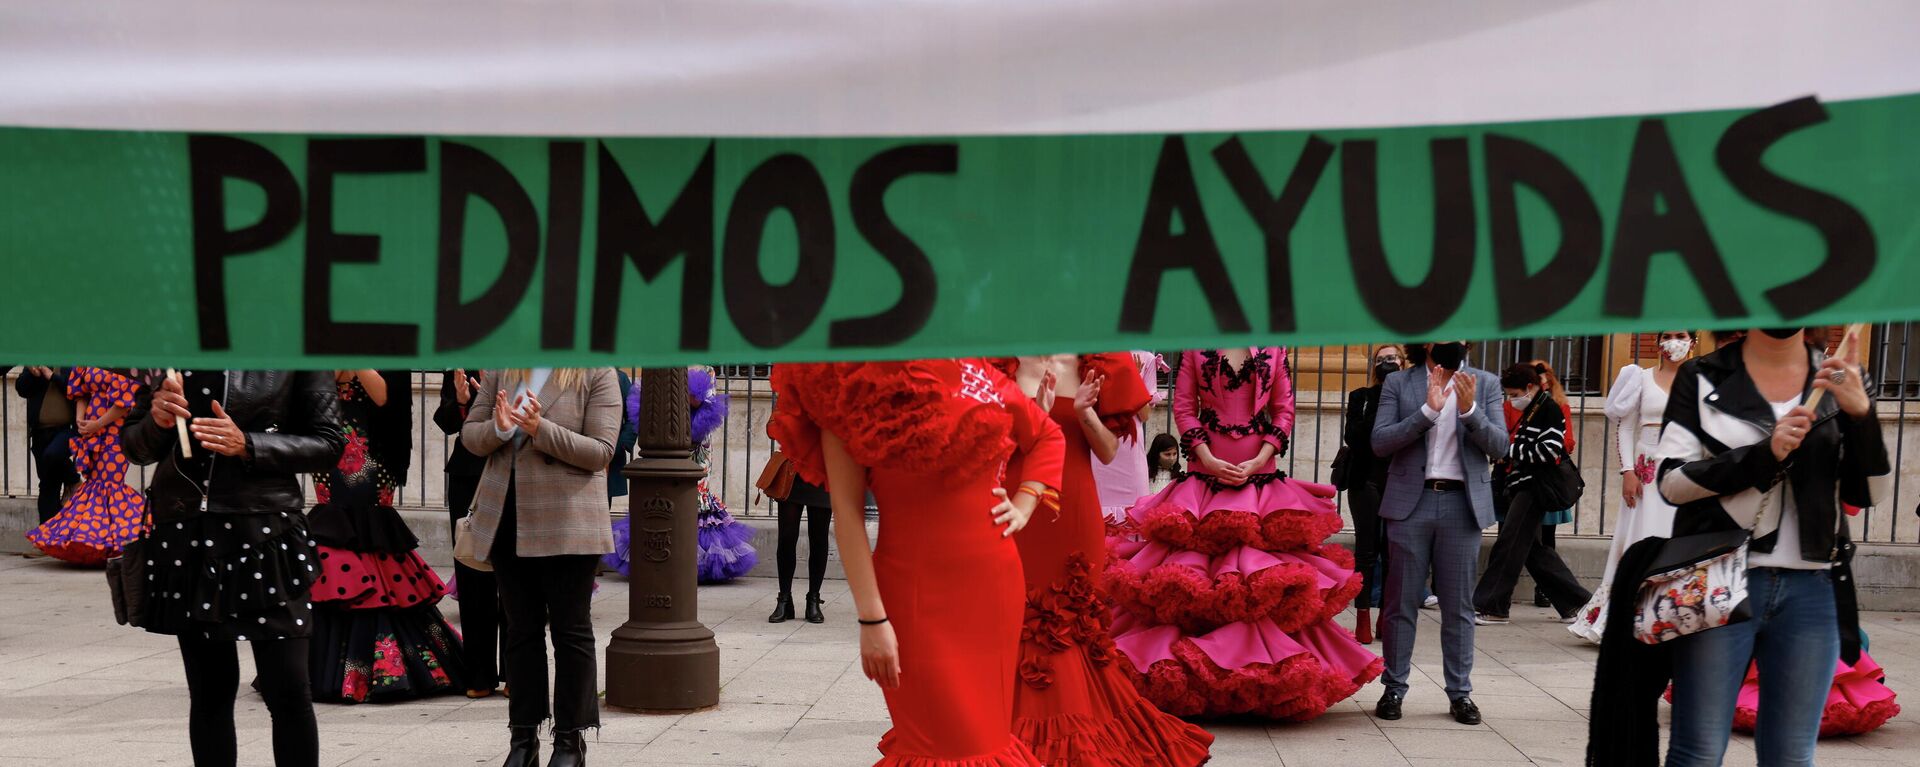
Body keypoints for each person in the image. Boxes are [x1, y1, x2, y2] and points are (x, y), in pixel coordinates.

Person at [1588, 327, 1894, 765]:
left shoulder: (1838, 377)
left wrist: (1861, 415)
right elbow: (1673, 482)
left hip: (1814, 589)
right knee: (1698, 750)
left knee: (1791, 754)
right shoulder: (1702, 376)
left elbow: (1871, 494)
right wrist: (1763, 454)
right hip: (1718, 578)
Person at [767, 359, 1064, 765]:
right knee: (943, 745)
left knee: (988, 740)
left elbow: (1048, 434)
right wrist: (871, 619)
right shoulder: (842, 385)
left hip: (994, 587)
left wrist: (1027, 500)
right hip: (914, 597)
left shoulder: (979, 373)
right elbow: (848, 515)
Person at [1107, 348, 1380, 721]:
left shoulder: (1274, 349)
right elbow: (1184, 408)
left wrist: (1259, 458)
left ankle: (1259, 677)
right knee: (1193, 576)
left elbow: (1284, 410)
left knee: (1261, 579)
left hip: (1261, 474)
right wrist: (1207, 458)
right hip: (1205, 473)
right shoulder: (1194, 349)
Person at [125, 370, 346, 767]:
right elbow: (136, 449)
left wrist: (249, 445)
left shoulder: (294, 348)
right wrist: (156, 422)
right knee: (210, 693)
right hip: (190, 535)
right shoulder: (176, 352)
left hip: (269, 535)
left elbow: (329, 445)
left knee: (288, 690)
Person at [1001, 355, 1213, 765]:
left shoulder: (1092, 364)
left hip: (1071, 509)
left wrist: (1083, 412)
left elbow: (1108, 450)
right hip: (1010, 507)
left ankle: (1068, 727)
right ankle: (1001, 730)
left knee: (1069, 621)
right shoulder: (995, 361)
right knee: (1009, 615)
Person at [463, 368, 621, 767]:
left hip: (568, 519)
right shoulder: (505, 367)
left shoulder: (596, 372)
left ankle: (570, 742)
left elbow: (601, 451)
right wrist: (498, 429)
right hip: (507, 516)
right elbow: (470, 435)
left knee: (571, 632)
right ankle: (523, 740)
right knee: (521, 632)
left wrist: (540, 428)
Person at [306, 370, 465, 703]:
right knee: (332, 538)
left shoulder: (388, 348)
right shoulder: (321, 339)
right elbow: (321, 386)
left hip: (375, 449)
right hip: (329, 446)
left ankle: (381, 666)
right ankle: (320, 664)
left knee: (372, 537)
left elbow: (382, 395)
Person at [1370, 340, 1506, 726]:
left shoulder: (1485, 382)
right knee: (1400, 602)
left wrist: (1470, 411)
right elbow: (1380, 442)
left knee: (1459, 606)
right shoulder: (1399, 382)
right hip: (1411, 503)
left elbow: (1500, 445)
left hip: (1462, 505)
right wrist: (1428, 412)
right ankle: (1394, 687)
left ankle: (1460, 693)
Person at [1567, 331, 1692, 644]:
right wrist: (1627, 471)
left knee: (1678, 541)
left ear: (1693, 342)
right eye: (1668, 335)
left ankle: (1672, 616)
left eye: (1681, 336)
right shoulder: (1640, 378)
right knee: (1638, 540)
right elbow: (1625, 426)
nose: (1673, 341)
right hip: (1646, 471)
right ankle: (1623, 618)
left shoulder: (1701, 380)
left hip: (1686, 469)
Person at [604, 369, 755, 583]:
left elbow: (703, 401)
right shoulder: (664, 364)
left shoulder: (706, 369)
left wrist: (682, 397)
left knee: (695, 494)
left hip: (696, 437)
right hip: (668, 433)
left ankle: (693, 561)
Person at [1470, 363, 1591, 624]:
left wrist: (1509, 452)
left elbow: (1549, 451)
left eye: (1514, 394)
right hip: (1526, 485)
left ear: (1529, 387)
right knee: (1532, 550)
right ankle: (1577, 603)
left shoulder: (1547, 409)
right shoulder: (1536, 409)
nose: (1512, 400)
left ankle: (1494, 606)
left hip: (1535, 486)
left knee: (1510, 544)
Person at [435, 368, 507, 699]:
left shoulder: (524, 362)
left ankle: (515, 671)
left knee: (513, 575)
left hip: (512, 471)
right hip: (468, 474)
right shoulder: (463, 363)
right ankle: (479, 674)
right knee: (471, 569)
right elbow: (446, 420)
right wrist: (462, 404)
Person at [25, 366, 146, 564]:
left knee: (109, 486)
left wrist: (98, 423)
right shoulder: (88, 358)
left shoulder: (124, 361)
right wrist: (80, 421)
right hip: (90, 431)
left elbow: (125, 403)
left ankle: (125, 540)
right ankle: (96, 544)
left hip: (115, 432)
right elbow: (79, 392)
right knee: (94, 485)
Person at [1342, 344, 1404, 644]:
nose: (1386, 364)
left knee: (1393, 551)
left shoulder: (1413, 399)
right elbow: (1354, 437)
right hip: (1364, 479)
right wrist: (1381, 398)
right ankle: (1363, 617)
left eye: (1392, 359)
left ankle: (1386, 619)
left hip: (1398, 481)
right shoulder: (1361, 397)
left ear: (1404, 364)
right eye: (1381, 361)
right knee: (1366, 551)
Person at [1090, 351, 1166, 525]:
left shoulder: (1145, 358)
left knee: (1135, 515)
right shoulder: (1091, 356)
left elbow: (1145, 415)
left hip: (1130, 448)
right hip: (1100, 442)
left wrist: (1133, 380)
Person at [10, 366, 79, 534]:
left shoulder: (71, 365)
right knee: (48, 484)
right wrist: (34, 375)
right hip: (40, 432)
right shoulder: (37, 363)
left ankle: (73, 479)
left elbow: (77, 390)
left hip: (67, 430)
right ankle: (47, 537)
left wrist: (52, 376)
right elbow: (21, 388)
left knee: (53, 455)